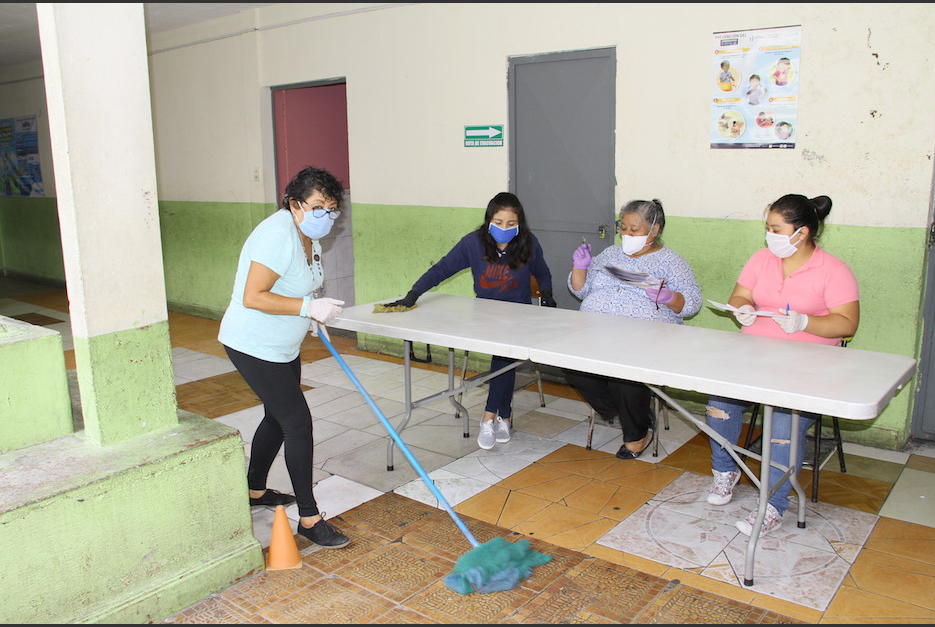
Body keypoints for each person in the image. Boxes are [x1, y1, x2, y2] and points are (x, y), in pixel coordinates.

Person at [704, 194, 859, 536]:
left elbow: (847, 323)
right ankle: (725, 473)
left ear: (800, 233)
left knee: (782, 426)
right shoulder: (762, 259)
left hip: (808, 366)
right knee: (720, 404)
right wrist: (741, 307)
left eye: (776, 228)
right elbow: (739, 295)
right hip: (754, 355)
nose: (769, 235)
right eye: (768, 228)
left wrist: (806, 323)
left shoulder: (833, 270)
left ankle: (774, 504)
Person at [218, 166, 350, 549]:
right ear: (295, 204)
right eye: (318, 207)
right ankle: (309, 519)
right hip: (253, 344)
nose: (326, 215)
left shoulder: (309, 235)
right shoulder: (276, 235)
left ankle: (255, 492)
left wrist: (308, 314)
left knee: (277, 418)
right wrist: (308, 308)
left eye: (332, 209)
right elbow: (253, 296)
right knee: (297, 422)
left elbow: (300, 283)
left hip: (281, 345)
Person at [383, 192, 555, 450]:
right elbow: (442, 268)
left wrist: (548, 298)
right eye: (498, 222)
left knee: (503, 358)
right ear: (488, 220)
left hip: (518, 316)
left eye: (510, 224)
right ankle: (504, 415)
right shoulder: (473, 243)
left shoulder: (529, 243)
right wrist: (414, 294)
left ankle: (488, 416)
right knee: (503, 360)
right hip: (484, 315)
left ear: (519, 224)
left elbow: (542, 273)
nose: (504, 228)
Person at [565, 199, 702, 459]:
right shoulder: (610, 255)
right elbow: (580, 291)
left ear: (655, 229)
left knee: (624, 374)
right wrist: (579, 267)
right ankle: (625, 410)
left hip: (645, 338)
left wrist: (669, 297)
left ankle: (637, 432)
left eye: (634, 229)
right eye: (623, 228)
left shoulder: (671, 261)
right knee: (570, 362)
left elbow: (692, 303)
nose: (626, 234)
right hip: (597, 332)